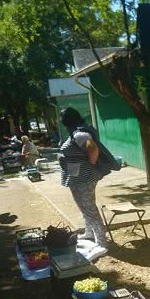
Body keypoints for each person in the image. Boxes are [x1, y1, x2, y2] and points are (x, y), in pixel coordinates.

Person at [59, 107, 107, 251]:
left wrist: (91, 163)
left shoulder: (79, 134)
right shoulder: (76, 132)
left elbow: (92, 148)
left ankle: (101, 241)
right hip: (78, 177)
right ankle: (89, 233)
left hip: (84, 178)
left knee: (89, 208)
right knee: (84, 207)